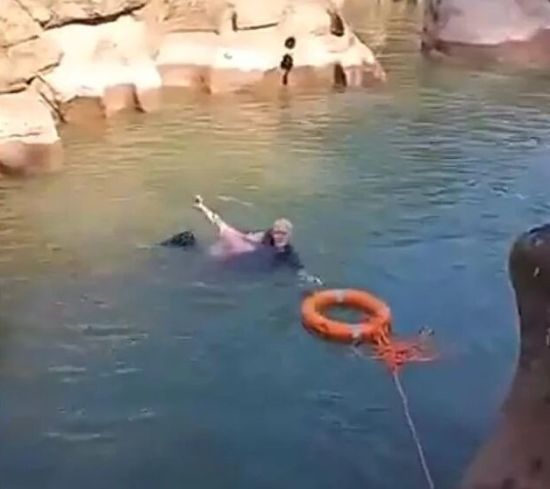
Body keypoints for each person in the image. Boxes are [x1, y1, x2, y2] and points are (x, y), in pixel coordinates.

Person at [193, 195, 322, 285]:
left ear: (289, 235)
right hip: (235, 255)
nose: (279, 236)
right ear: (272, 232)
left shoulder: (288, 252)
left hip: (256, 268)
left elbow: (298, 268)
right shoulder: (260, 238)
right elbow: (220, 223)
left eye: (283, 234)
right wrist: (202, 207)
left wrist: (309, 278)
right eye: (277, 233)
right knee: (212, 254)